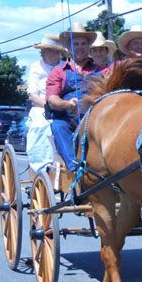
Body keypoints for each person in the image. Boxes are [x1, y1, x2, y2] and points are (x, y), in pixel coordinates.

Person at [46, 22, 101, 171]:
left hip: (96, 118)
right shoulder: (59, 71)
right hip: (69, 119)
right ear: (69, 48)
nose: (80, 47)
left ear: (89, 46)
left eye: (83, 43)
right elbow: (52, 99)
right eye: (76, 44)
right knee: (57, 126)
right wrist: (68, 104)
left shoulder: (100, 70)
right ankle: (75, 167)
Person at [26, 34, 66, 172]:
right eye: (41, 51)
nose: (41, 54)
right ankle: (41, 167)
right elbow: (32, 94)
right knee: (43, 125)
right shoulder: (36, 67)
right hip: (41, 107)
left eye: (45, 51)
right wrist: (48, 107)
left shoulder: (65, 67)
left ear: (56, 52)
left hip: (63, 107)